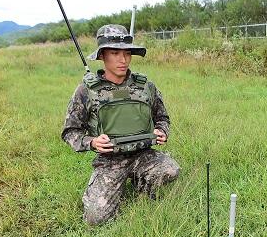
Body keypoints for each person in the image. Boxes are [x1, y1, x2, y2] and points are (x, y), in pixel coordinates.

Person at [62, 24, 180, 225]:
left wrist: (161, 131)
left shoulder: (145, 87)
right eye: (115, 53)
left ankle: (139, 181)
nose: (122, 59)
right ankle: (109, 185)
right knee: (95, 219)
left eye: (127, 53)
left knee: (170, 170)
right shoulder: (86, 91)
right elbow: (70, 132)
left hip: (143, 154)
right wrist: (92, 142)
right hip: (110, 161)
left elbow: (162, 117)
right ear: (102, 56)